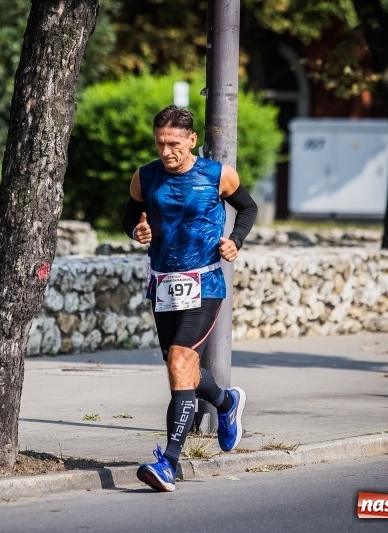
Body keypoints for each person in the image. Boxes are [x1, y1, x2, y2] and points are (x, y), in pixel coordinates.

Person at [122, 104, 258, 492]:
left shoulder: (217, 175)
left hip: (205, 282)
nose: (167, 151)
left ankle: (169, 461)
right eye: (161, 143)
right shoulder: (144, 178)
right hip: (163, 284)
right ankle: (227, 402)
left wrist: (235, 240)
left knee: (180, 360)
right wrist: (138, 231)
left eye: (174, 143)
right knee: (180, 366)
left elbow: (248, 207)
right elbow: (130, 217)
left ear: (192, 140)